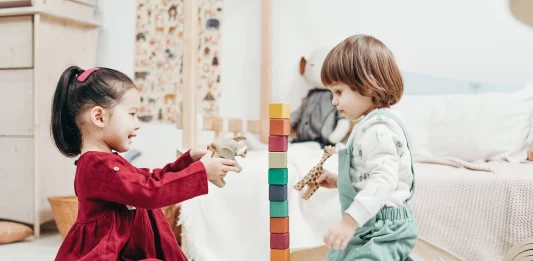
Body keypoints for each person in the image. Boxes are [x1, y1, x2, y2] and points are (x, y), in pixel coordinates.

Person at [50, 66, 239, 261]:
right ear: (99, 117)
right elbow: (149, 192)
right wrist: (201, 172)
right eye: (132, 114)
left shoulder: (107, 161)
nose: (137, 123)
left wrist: (188, 161)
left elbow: (148, 180)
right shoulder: (97, 165)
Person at [316, 35, 418, 260]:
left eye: (339, 92)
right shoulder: (369, 125)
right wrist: (339, 180)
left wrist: (348, 222)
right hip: (372, 223)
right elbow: (368, 173)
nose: (333, 101)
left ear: (368, 85)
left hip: (382, 227)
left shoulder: (378, 129)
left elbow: (383, 180)